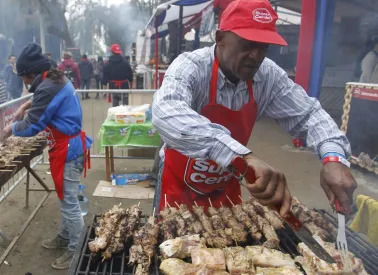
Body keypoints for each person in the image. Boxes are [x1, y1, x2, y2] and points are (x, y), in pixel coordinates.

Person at [152, 0, 357, 216]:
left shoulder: (268, 75)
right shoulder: (190, 67)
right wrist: (242, 157)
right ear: (220, 38)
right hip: (177, 186)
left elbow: (309, 114)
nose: (257, 56)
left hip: (225, 185)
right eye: (247, 45)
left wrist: (333, 157)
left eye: (263, 47)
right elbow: (167, 110)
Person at [2, 43, 92, 270]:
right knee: (65, 197)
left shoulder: (48, 86)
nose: (24, 83)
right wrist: (27, 104)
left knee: (69, 202)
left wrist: (10, 129)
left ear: (31, 74)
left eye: (23, 78)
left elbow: (33, 125)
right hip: (66, 146)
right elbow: (46, 100)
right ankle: (65, 236)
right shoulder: (55, 79)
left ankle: (77, 251)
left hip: (68, 149)